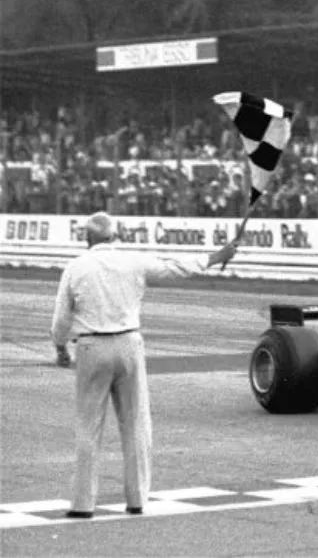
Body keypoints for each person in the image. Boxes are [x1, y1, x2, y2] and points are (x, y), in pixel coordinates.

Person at [50, 211, 239, 519]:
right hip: (128, 343)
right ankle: (137, 499)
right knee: (136, 424)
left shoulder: (76, 267)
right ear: (115, 236)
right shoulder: (132, 260)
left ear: (87, 238)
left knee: (88, 427)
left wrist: (60, 349)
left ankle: (83, 504)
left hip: (91, 346)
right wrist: (217, 256)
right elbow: (175, 269)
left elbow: (60, 320)